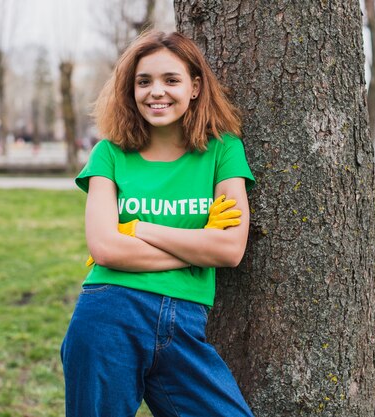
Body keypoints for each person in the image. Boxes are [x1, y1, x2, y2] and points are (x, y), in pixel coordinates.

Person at [61, 30, 256, 417]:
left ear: (195, 86)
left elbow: (230, 250)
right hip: (109, 316)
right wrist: (200, 245)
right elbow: (105, 249)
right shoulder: (110, 154)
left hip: (184, 323)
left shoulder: (223, 149)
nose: (156, 92)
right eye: (144, 81)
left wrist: (137, 229)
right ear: (130, 89)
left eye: (171, 80)